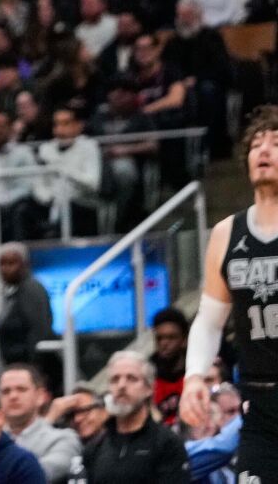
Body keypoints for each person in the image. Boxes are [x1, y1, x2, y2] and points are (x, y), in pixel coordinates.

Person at [181, 104, 278, 479]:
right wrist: (194, 376)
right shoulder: (226, 233)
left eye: (275, 143)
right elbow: (209, 321)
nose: (263, 150)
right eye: (256, 144)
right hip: (259, 405)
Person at [81, 352, 187, 484]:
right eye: (115, 379)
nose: (121, 385)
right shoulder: (94, 448)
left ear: (149, 388)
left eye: (131, 378)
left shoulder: (167, 443)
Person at [0, 364, 78, 481]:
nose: (13, 396)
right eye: (6, 391)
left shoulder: (63, 438)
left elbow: (35, 474)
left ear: (40, 396)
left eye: (21, 389)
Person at [0, 244, 53, 367]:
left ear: (25, 264)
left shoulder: (31, 290)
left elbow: (38, 331)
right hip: (15, 363)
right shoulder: (10, 291)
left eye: (11, 263)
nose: (6, 269)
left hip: (30, 366)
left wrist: (32, 366)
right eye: (2, 264)